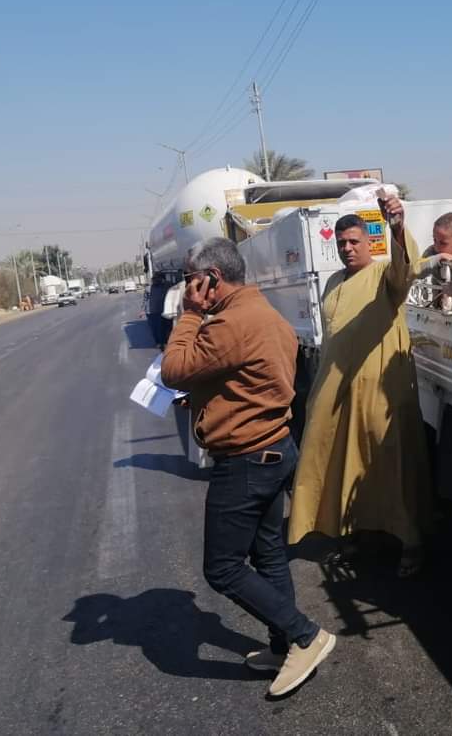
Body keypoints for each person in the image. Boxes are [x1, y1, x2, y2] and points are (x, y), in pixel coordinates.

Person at [160, 237, 335, 698]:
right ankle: (284, 646)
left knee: (222, 569)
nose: (188, 288)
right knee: (268, 555)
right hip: (275, 447)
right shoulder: (264, 313)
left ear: (211, 279)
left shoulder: (228, 323)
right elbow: (250, 380)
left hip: (245, 461)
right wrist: (207, 399)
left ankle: (304, 636)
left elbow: (173, 369)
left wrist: (190, 315)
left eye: (191, 280)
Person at [288, 191, 432, 577]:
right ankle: (351, 532)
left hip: (379, 394)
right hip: (337, 391)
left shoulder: (385, 275)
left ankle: (410, 541)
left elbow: (406, 269)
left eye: (354, 242)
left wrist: (397, 227)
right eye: (342, 244)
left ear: (369, 243)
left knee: (389, 464)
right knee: (342, 464)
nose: (348, 249)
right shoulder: (334, 282)